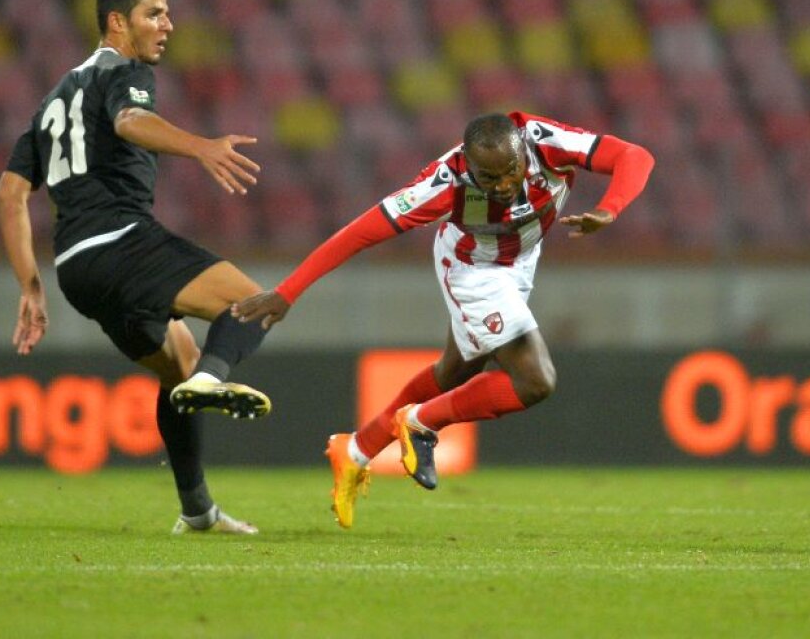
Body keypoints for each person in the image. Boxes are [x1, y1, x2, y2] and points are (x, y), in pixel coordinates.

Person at [233, 111, 654, 529]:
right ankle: (420, 423)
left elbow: (635, 156)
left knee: (455, 371)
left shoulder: (544, 141)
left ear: (522, 153)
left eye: (510, 171)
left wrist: (610, 209)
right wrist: (288, 291)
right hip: (473, 270)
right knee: (535, 380)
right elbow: (359, 233)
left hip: (521, 261)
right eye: (489, 179)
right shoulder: (444, 184)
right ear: (469, 167)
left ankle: (356, 450)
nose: (504, 185)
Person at [0, 0, 273, 534]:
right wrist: (201, 148)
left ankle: (197, 511)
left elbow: (9, 194)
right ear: (117, 23)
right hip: (120, 240)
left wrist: (30, 286)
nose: (167, 25)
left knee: (180, 369)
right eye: (154, 14)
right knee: (255, 302)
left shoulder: (53, 99)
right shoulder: (124, 72)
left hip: (75, 269)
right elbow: (130, 120)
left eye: (168, 13)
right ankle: (213, 381)